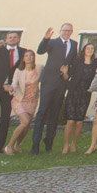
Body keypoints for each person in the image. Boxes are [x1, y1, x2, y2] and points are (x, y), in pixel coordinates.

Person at [31, 23, 79, 155]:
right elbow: (40, 50)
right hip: (48, 81)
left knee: (55, 113)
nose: (67, 33)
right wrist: (45, 39)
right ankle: (35, 144)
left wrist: (67, 75)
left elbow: (73, 62)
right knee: (42, 111)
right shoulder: (52, 42)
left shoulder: (74, 44)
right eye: (65, 30)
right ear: (60, 31)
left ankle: (49, 143)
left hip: (61, 82)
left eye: (69, 31)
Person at [61, 43, 97, 154]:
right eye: (88, 48)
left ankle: (74, 144)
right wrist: (65, 73)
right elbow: (68, 77)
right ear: (84, 50)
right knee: (70, 120)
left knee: (78, 122)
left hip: (85, 93)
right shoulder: (77, 62)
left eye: (92, 48)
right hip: (73, 92)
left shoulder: (96, 63)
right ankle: (66, 145)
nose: (90, 50)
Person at [6, 50, 40, 154]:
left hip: (32, 101)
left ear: (34, 57)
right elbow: (14, 84)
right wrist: (10, 88)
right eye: (26, 56)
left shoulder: (39, 68)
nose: (29, 57)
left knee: (26, 125)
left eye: (31, 55)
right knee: (25, 121)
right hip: (19, 101)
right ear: (23, 59)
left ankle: (17, 145)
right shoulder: (19, 71)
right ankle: (9, 146)